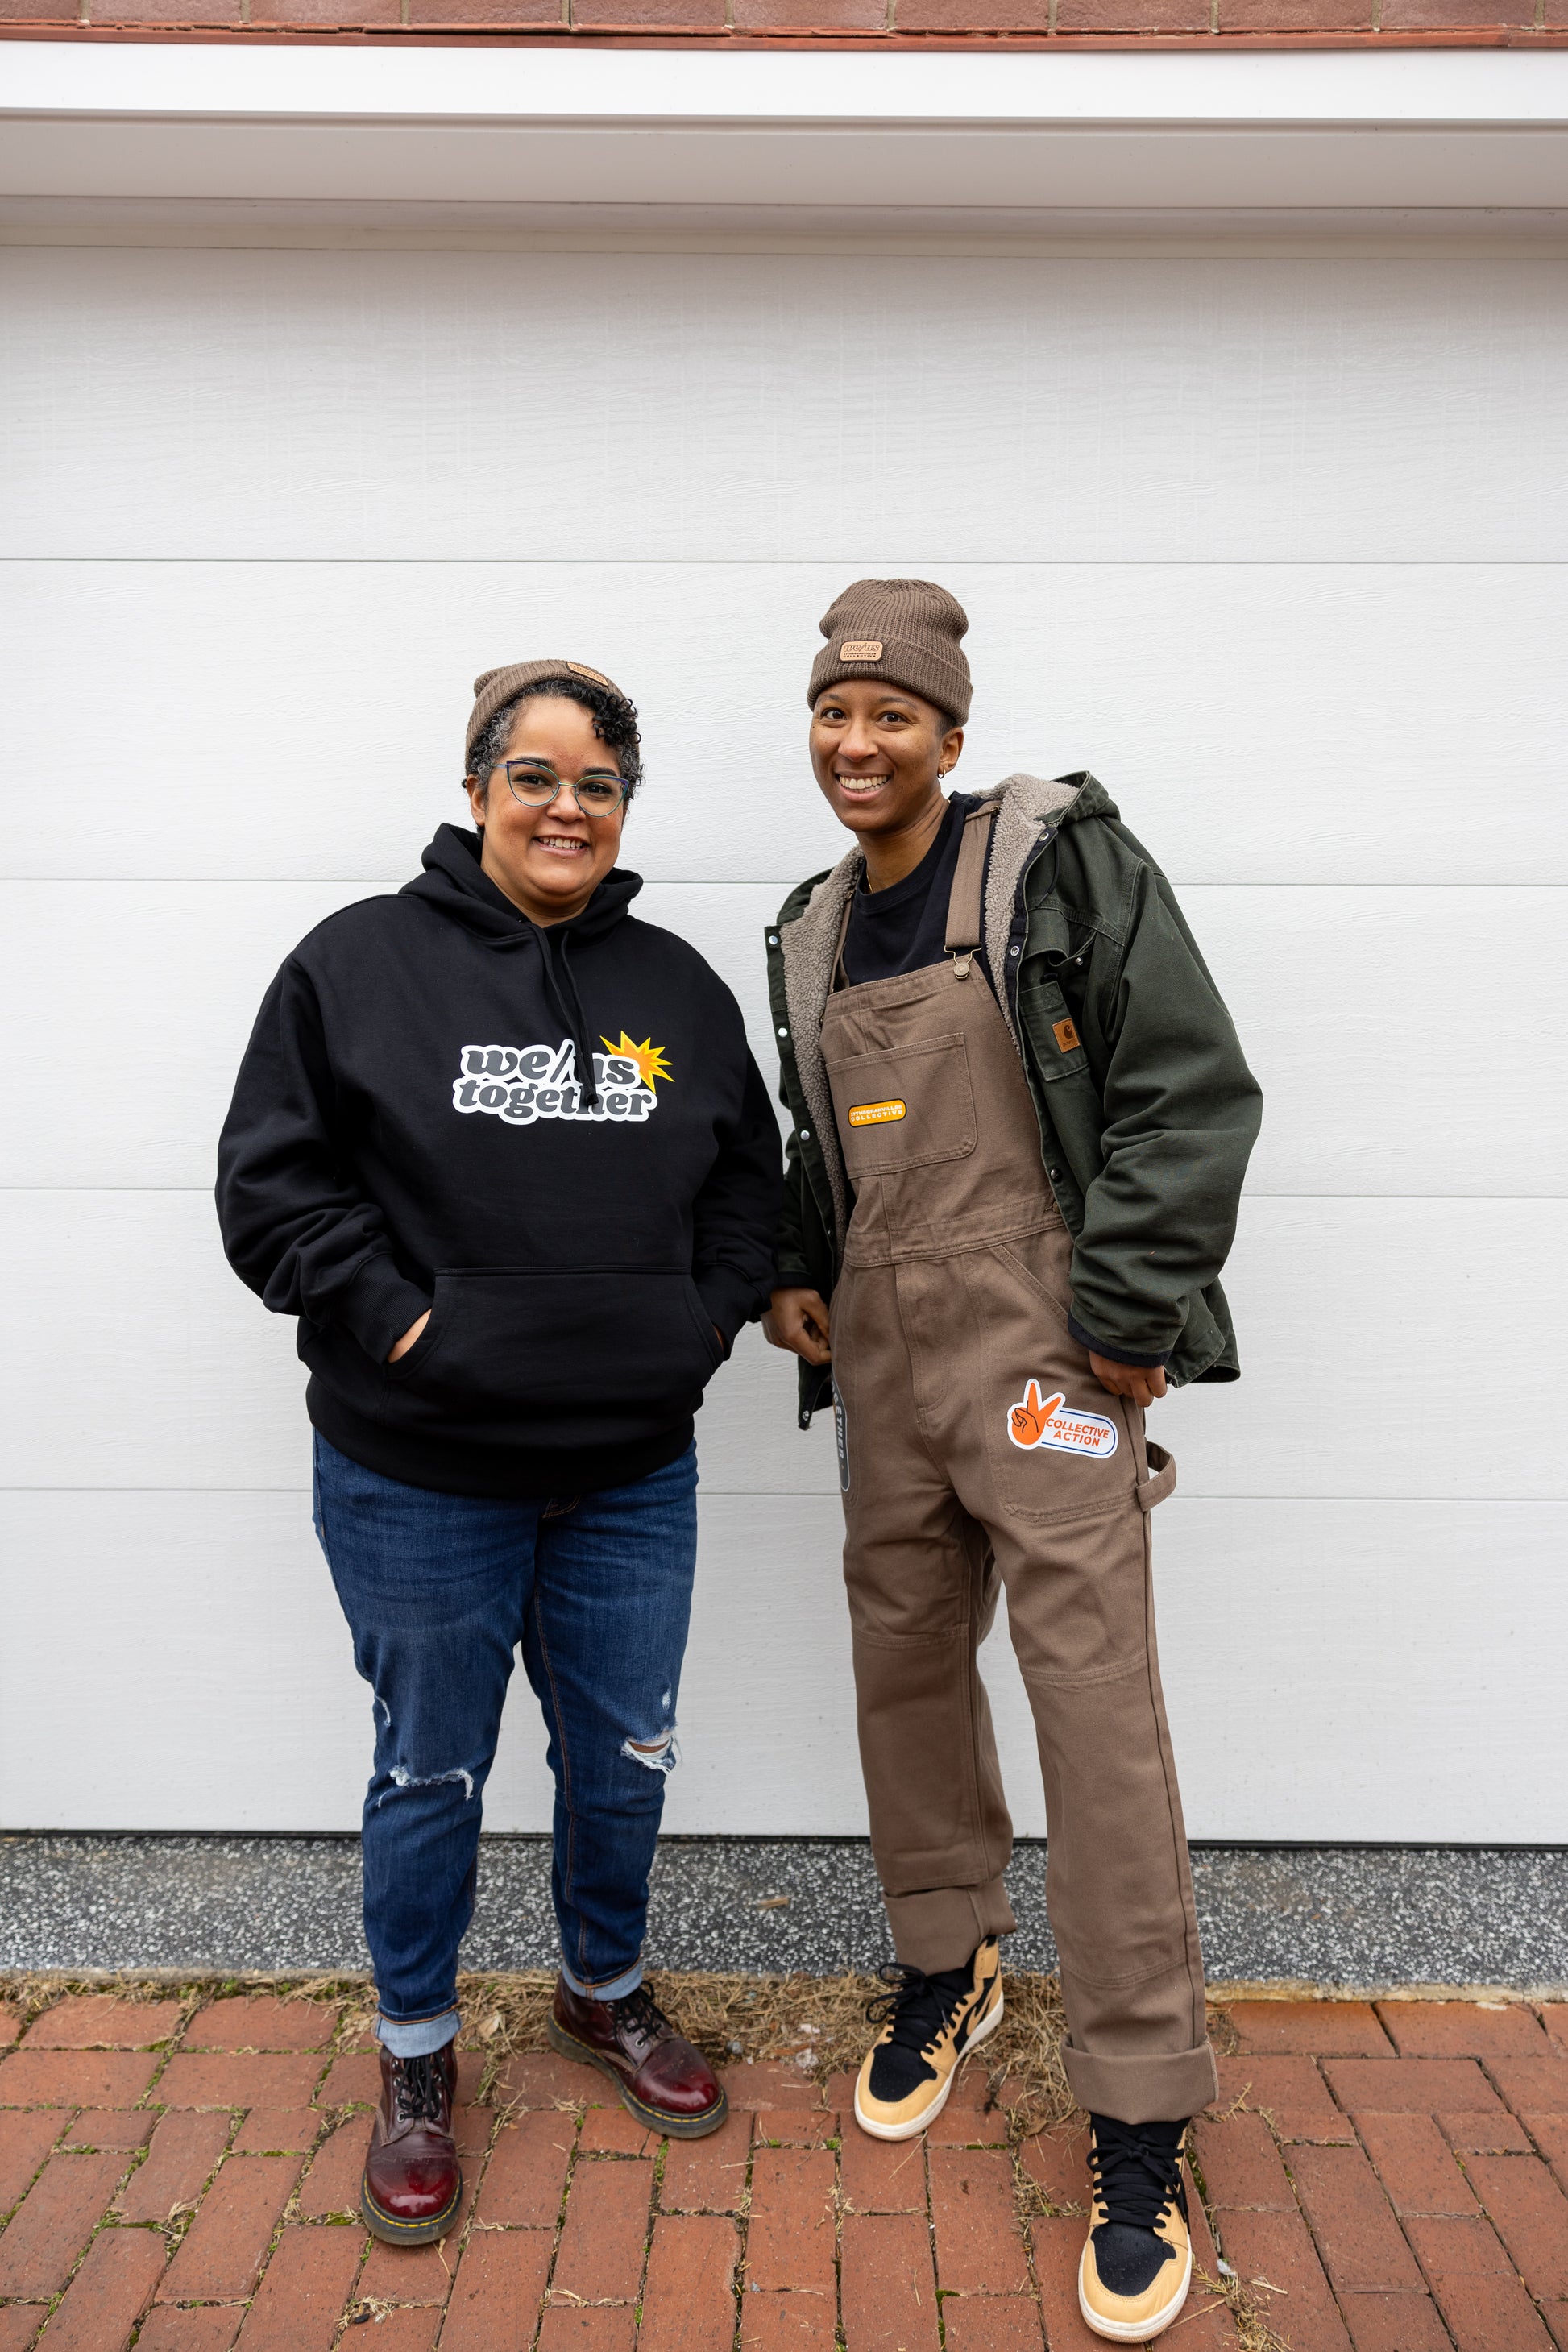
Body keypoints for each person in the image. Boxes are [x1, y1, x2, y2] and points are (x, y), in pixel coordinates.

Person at [218, 659, 780, 2245]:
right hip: (417, 1472)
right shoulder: (353, 967)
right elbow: (272, 1192)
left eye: (598, 782)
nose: (565, 806)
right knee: (428, 1767)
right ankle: (414, 2056)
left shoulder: (674, 986)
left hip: (626, 1469)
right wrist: (411, 1329)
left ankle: (602, 1987)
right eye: (533, 774)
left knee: (626, 1752)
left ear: (621, 809)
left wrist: (698, 1322)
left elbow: (753, 1182)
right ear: (475, 789)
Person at [763, 582, 1262, 2342]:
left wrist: (1125, 1315)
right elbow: (815, 1149)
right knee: (902, 1665)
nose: (856, 741)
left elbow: (1185, 1087)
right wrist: (800, 1268)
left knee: (1094, 1710)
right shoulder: (810, 927)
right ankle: (945, 1955)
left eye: (891, 713)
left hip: (1050, 1350)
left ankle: (1141, 2106)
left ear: (949, 733)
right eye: (832, 711)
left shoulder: (1053, 863)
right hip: (891, 1360)